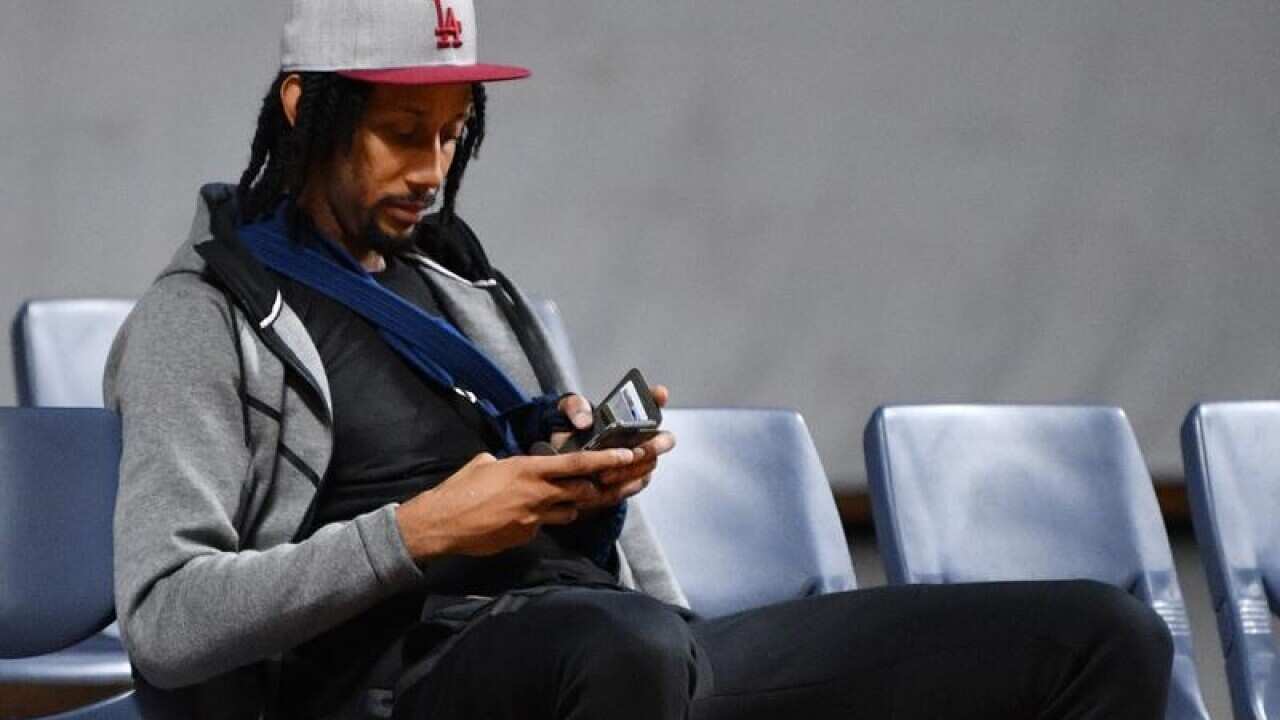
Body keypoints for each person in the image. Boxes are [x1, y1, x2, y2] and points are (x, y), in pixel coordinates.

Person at [106, 1, 1175, 718]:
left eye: (451, 132)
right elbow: (164, 624)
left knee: (1096, 634)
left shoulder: (461, 282)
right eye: (399, 131)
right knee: (620, 647)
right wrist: (423, 530)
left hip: (620, 646)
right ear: (303, 106)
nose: (431, 169)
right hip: (400, 682)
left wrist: (592, 485)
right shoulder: (204, 314)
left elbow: (629, 601)